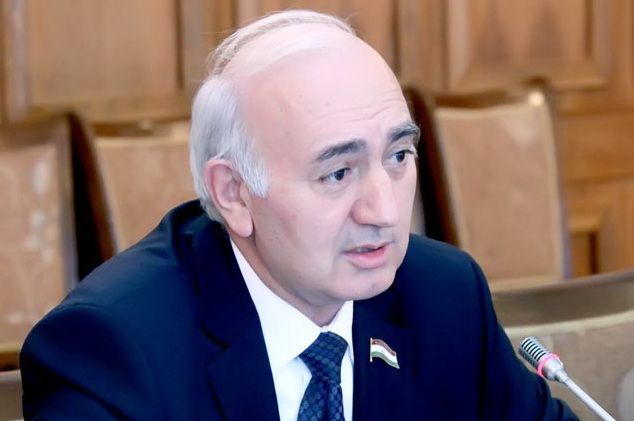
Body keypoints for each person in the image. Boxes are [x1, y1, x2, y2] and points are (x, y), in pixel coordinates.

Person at [20, 9, 578, 421]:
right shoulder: (115, 348)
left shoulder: (444, 296)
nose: (384, 210)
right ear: (235, 194)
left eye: (398, 156)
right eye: (337, 173)